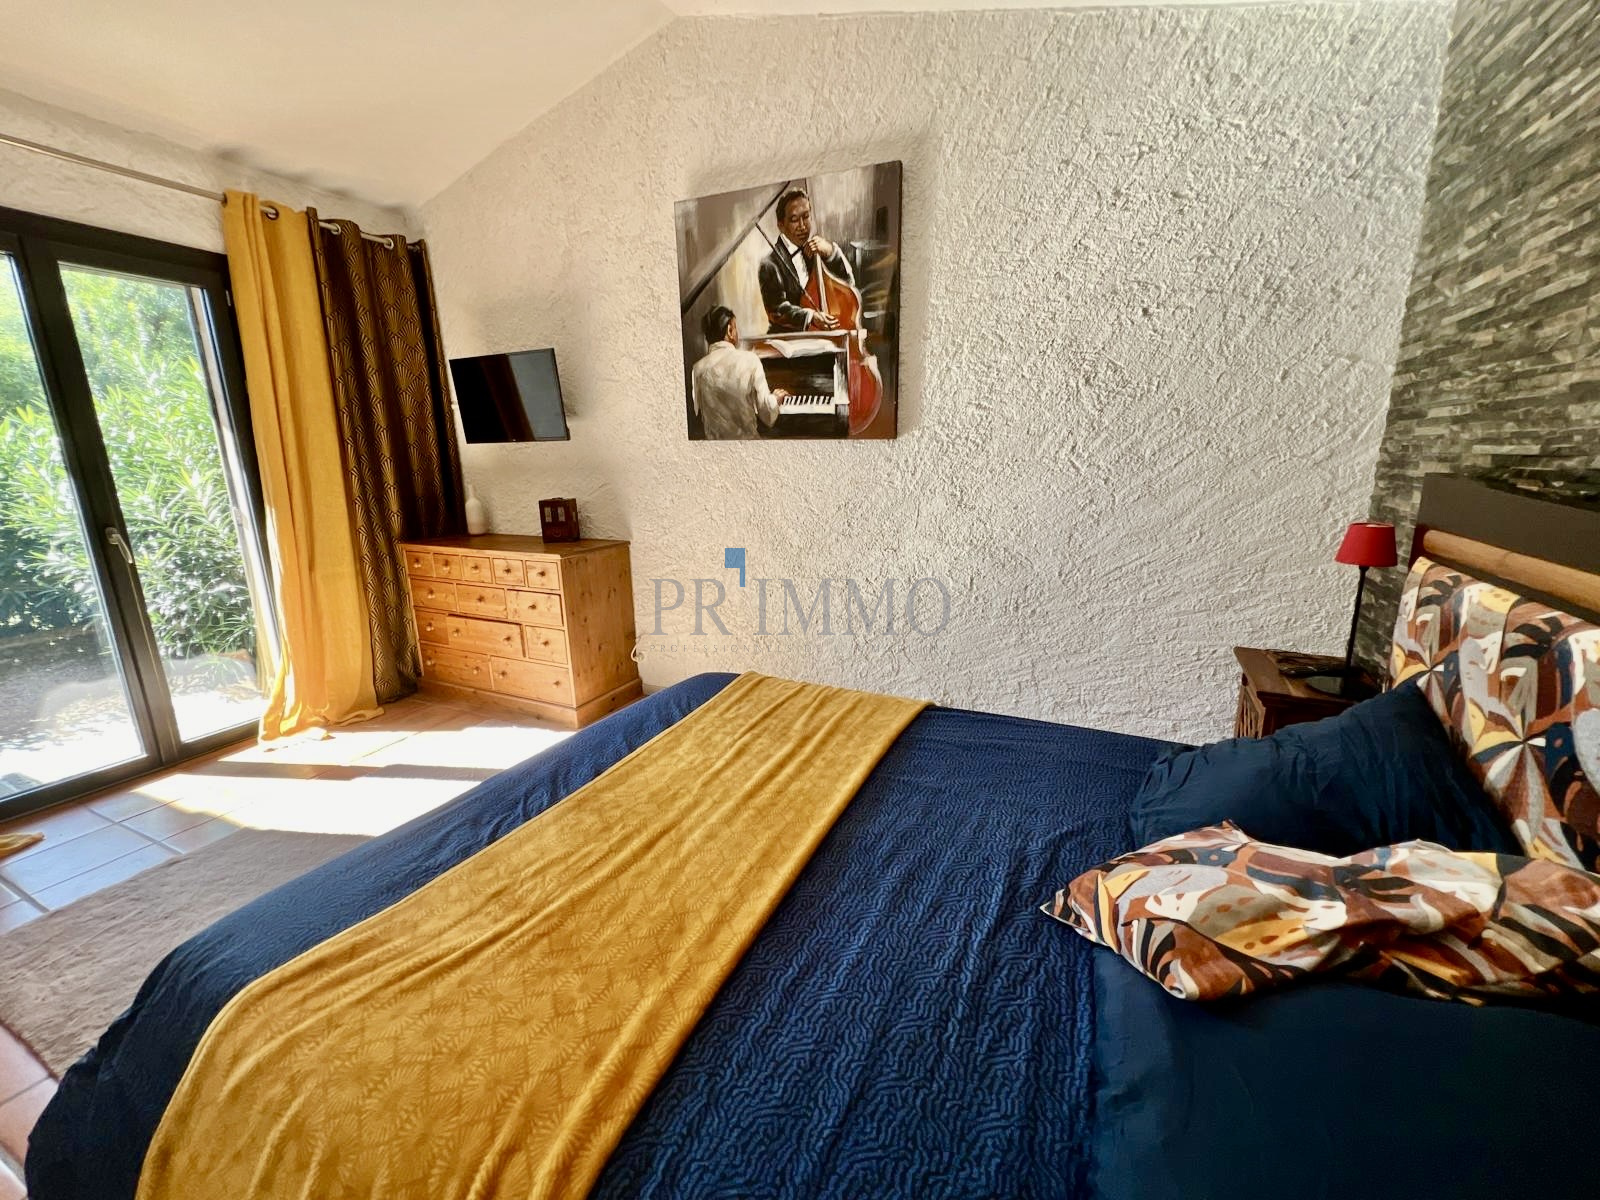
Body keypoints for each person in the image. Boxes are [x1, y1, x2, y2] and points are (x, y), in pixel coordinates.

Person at [758, 188, 855, 333]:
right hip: (790, 342)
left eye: (806, 216)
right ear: (781, 225)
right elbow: (777, 310)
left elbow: (848, 284)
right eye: (794, 220)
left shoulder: (817, 251)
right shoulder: (769, 265)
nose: (802, 226)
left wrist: (831, 253)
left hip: (822, 337)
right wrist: (811, 317)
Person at [691, 306, 788, 439]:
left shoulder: (697, 368)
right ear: (730, 331)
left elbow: (698, 416)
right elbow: (767, 415)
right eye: (735, 328)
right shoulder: (750, 360)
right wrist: (775, 399)